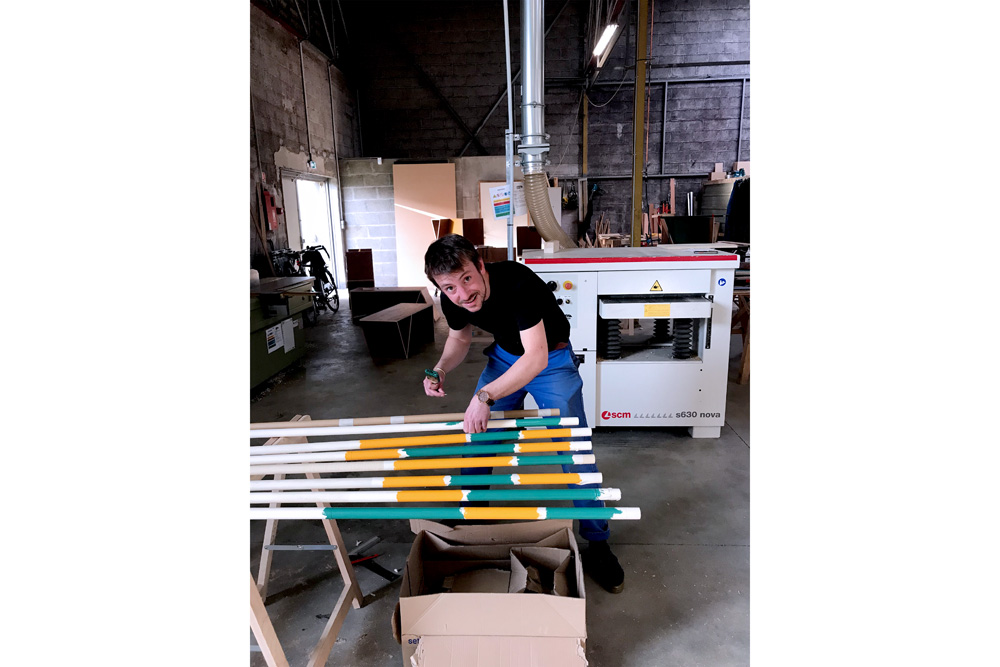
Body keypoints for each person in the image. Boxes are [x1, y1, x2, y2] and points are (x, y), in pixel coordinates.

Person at [421, 234, 625, 594]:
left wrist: (485, 395)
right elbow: (459, 339)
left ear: (481, 266)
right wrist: (440, 369)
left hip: (550, 358)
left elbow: (536, 357)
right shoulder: (452, 296)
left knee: (574, 451)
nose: (462, 294)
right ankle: (470, 519)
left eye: (467, 279)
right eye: (450, 287)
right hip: (505, 356)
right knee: (477, 440)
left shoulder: (517, 282)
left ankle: (598, 542)